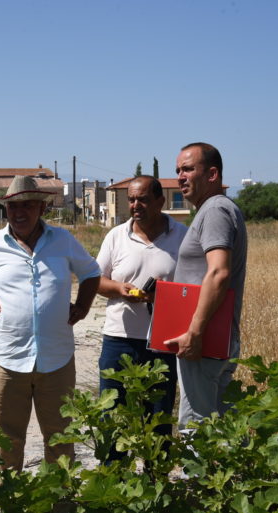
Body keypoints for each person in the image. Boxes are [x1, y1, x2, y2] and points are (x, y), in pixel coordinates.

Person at [0, 175, 101, 470]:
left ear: (42, 209)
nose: (19, 213)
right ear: (6, 210)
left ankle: (59, 502)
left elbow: (91, 272)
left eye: (27, 206)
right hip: (7, 359)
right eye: (13, 208)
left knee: (61, 437)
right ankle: (8, 499)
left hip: (57, 359)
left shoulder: (63, 241)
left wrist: (84, 306)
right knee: (7, 439)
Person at [95, 175, 187, 460]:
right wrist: (120, 289)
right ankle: (113, 483)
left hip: (163, 342)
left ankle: (154, 485)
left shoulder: (183, 237)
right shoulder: (116, 236)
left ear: (161, 201)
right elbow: (96, 281)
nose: (136, 205)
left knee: (158, 421)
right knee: (112, 417)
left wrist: (164, 296)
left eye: (143, 199)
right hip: (118, 341)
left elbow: (195, 288)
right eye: (132, 199)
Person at [164, 143, 247, 433]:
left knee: (196, 425)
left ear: (212, 174)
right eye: (178, 170)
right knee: (221, 423)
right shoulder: (217, 209)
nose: (180, 177)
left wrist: (194, 332)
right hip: (214, 338)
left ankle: (197, 480)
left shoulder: (214, 211)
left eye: (188, 169)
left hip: (204, 341)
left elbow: (218, 272)